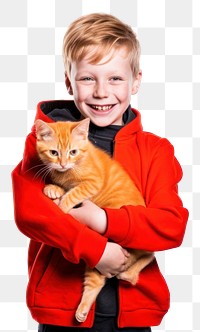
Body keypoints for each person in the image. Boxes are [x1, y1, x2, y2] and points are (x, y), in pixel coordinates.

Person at [12, 13, 189, 332]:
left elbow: (171, 226)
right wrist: (97, 250)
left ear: (136, 80)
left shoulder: (155, 150)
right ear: (69, 81)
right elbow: (31, 213)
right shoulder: (45, 141)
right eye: (87, 78)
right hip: (62, 314)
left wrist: (103, 220)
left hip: (133, 310)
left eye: (115, 79)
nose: (101, 92)